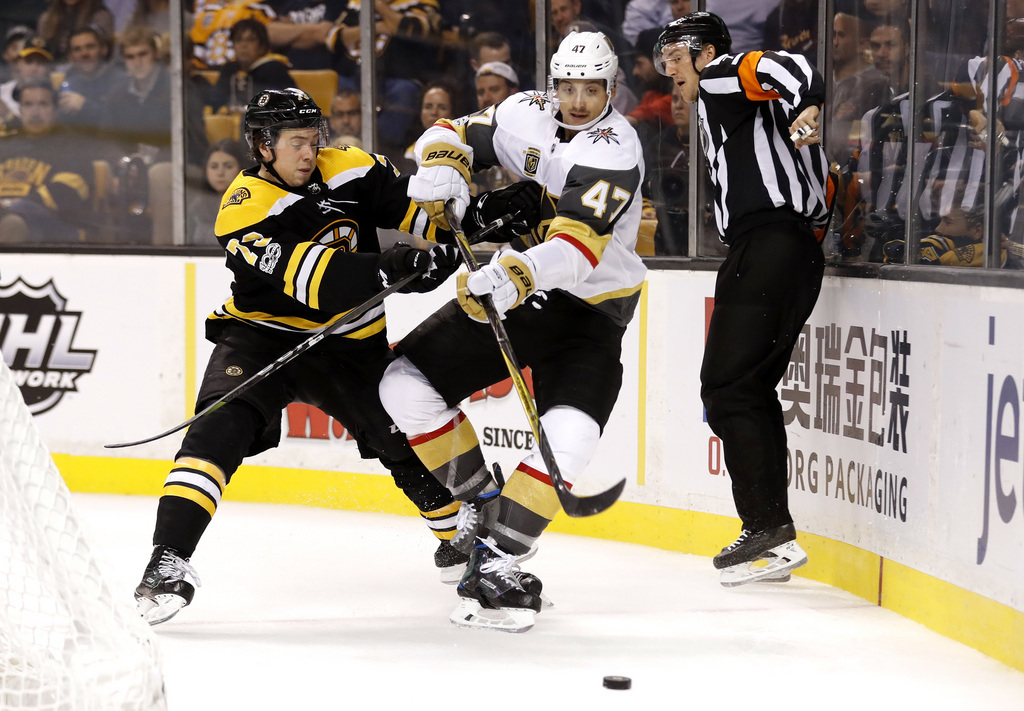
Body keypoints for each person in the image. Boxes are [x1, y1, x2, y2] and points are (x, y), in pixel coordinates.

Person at [132, 88, 467, 625]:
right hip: (261, 336)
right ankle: (167, 560)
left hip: (349, 341)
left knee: (399, 436)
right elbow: (315, 277)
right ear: (263, 147)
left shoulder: (352, 169)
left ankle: (461, 544)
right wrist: (392, 268)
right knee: (215, 432)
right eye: (295, 143)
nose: (308, 152)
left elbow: (423, 213)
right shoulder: (242, 208)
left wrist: (476, 221)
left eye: (313, 140)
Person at [378, 30, 647, 632]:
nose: (579, 100)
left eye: (593, 88)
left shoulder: (615, 150)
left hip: (591, 313)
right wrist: (442, 165)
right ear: (554, 84)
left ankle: (499, 560)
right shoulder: (524, 110)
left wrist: (517, 271)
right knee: (403, 386)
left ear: (611, 89)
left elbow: (578, 248)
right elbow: (453, 129)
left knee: (570, 436)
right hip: (521, 293)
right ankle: (479, 506)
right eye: (569, 87)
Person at [655, 12, 834, 586]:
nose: (669, 70)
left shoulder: (720, 75)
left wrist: (808, 99)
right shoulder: (733, 109)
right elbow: (822, 188)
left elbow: (783, 64)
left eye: (674, 56)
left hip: (769, 247)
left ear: (702, 51)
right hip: (786, 250)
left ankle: (767, 529)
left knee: (729, 386)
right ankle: (769, 531)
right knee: (745, 387)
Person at [0, 78, 93, 243]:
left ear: (55, 110)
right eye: (28, 105)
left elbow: (68, 192)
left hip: (52, 223)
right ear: (20, 110)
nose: (35, 112)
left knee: (12, 223)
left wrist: (17, 205)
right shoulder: (5, 145)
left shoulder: (72, 144)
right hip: (4, 213)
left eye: (43, 105)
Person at [209, 18, 293, 114]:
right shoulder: (229, 70)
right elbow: (215, 104)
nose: (244, 45)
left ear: (262, 46)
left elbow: (290, 104)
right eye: (238, 40)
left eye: (251, 40)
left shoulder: (273, 69)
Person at [186, 137, 249, 243]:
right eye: (214, 166)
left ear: (241, 168)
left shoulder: (252, 203)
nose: (220, 173)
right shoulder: (196, 206)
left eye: (228, 166)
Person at [36, 0, 115, 63]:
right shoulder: (46, 19)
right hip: (54, 73)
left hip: (91, 72)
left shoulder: (100, 16)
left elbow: (107, 54)